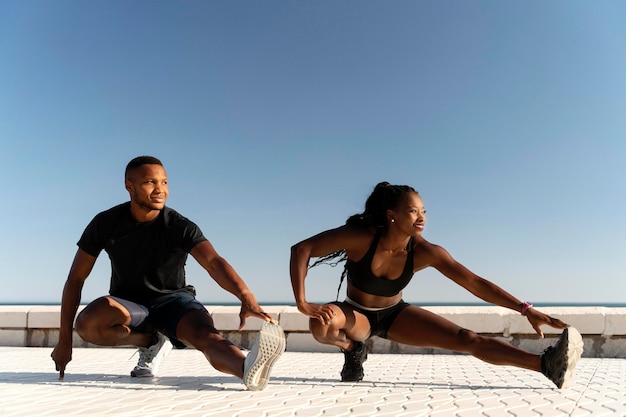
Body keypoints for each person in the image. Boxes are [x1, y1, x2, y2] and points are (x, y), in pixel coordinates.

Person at [290, 181, 583, 389]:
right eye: (412, 211)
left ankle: (547, 366)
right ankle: (353, 348)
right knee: (321, 325)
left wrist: (524, 308)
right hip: (356, 315)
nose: (422, 218)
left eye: (424, 211)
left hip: (396, 315)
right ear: (391, 214)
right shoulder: (360, 236)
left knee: (467, 338)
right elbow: (301, 249)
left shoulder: (426, 251)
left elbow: (474, 282)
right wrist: (303, 303)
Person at [51, 156, 285, 391]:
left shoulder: (178, 225)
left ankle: (247, 368)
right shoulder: (106, 223)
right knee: (89, 322)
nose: (160, 190)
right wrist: (64, 341)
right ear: (129, 186)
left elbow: (213, 262)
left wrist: (246, 296)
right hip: (130, 307)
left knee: (205, 336)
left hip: (174, 302)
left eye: (164, 183)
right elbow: (75, 279)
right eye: (150, 182)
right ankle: (152, 342)